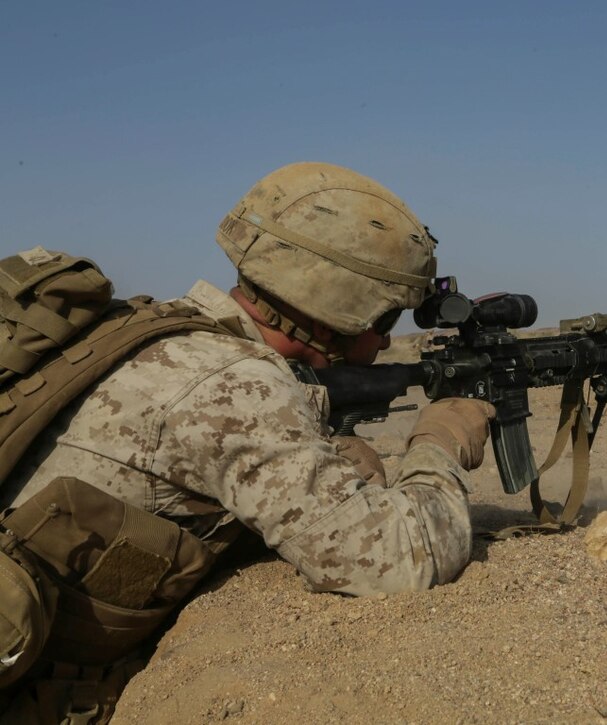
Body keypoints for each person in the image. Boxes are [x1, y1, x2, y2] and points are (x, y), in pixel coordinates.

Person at [1, 162, 495, 721]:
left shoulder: (158, 328)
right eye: (386, 319)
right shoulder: (234, 387)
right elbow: (397, 560)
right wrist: (438, 442)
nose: (386, 338)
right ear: (340, 310)